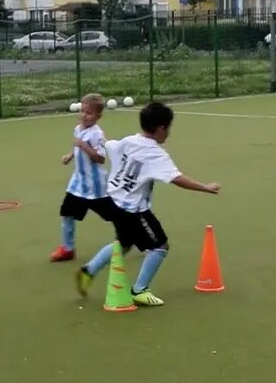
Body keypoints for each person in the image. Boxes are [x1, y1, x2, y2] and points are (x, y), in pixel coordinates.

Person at [75, 102, 220, 307]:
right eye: (168, 128)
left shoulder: (129, 141)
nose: (168, 133)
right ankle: (140, 289)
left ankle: (88, 271)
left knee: (124, 244)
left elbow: (110, 146)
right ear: (161, 128)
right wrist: (205, 187)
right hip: (133, 210)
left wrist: (100, 139)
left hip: (114, 203)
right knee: (160, 246)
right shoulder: (155, 153)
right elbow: (176, 178)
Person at [50, 93, 115, 262]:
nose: (84, 116)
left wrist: (83, 146)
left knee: (115, 216)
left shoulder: (97, 134)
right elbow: (78, 147)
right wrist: (70, 155)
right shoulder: (78, 129)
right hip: (78, 185)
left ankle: (137, 237)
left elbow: (100, 158)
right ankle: (68, 249)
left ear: (98, 116)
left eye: (89, 113)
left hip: (96, 188)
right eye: (83, 111)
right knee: (67, 214)